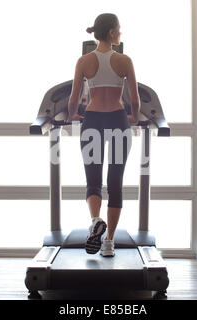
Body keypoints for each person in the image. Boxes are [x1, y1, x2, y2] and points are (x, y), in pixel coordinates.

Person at [67, 13, 140, 257]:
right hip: (118, 120)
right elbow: (135, 100)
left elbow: (74, 99)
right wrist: (135, 118)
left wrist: (73, 116)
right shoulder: (125, 61)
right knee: (115, 183)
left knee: (93, 180)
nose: (121, 33)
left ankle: (96, 220)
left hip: (93, 120)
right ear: (111, 33)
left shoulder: (84, 61)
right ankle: (108, 242)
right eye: (119, 29)